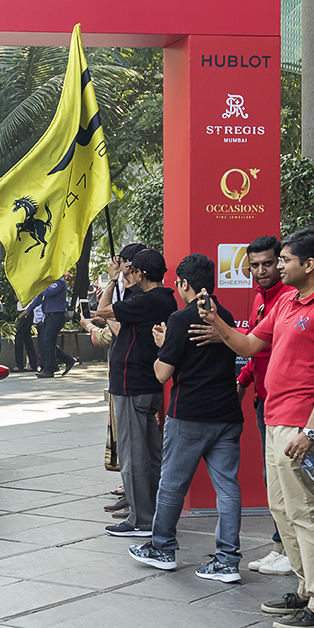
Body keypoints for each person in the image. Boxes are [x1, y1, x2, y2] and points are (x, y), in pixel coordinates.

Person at [197, 227, 314, 628]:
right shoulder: (286, 303)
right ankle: (304, 591)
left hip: (298, 424)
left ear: (309, 264)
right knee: (283, 510)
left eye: (283, 260)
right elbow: (248, 346)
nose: (276, 266)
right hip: (273, 417)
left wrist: (312, 431)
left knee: (305, 511)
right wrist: (215, 321)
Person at [128, 254, 245, 582]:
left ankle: (162, 547)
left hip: (190, 414)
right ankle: (227, 559)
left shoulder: (180, 319)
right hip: (226, 413)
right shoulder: (228, 316)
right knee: (228, 487)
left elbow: (163, 374)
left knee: (172, 484)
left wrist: (162, 346)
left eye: (178, 283)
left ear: (184, 283)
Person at [99, 249, 176, 537]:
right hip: (146, 383)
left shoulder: (149, 300)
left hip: (133, 385)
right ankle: (150, 511)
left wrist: (113, 279)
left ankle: (141, 519)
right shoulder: (160, 299)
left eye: (131, 268)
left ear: (140, 272)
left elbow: (103, 309)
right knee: (150, 452)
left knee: (133, 455)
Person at [236, 234, 296, 576]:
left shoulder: (289, 298)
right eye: (255, 265)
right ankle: (281, 547)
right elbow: (257, 348)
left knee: (290, 486)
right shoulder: (263, 298)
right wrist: (244, 381)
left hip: (288, 404)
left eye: (269, 263)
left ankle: (291, 552)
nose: (261, 270)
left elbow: (265, 348)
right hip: (265, 399)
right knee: (272, 479)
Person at [24, 277, 74, 378]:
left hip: (56, 315)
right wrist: (29, 309)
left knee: (48, 342)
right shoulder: (48, 283)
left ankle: (49, 370)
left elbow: (48, 292)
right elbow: (40, 296)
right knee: (46, 342)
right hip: (48, 315)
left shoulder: (59, 282)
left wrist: (41, 284)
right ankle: (68, 360)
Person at [13, 295, 38, 371]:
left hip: (26, 311)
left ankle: (19, 364)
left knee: (18, 337)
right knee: (27, 339)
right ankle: (33, 364)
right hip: (24, 310)